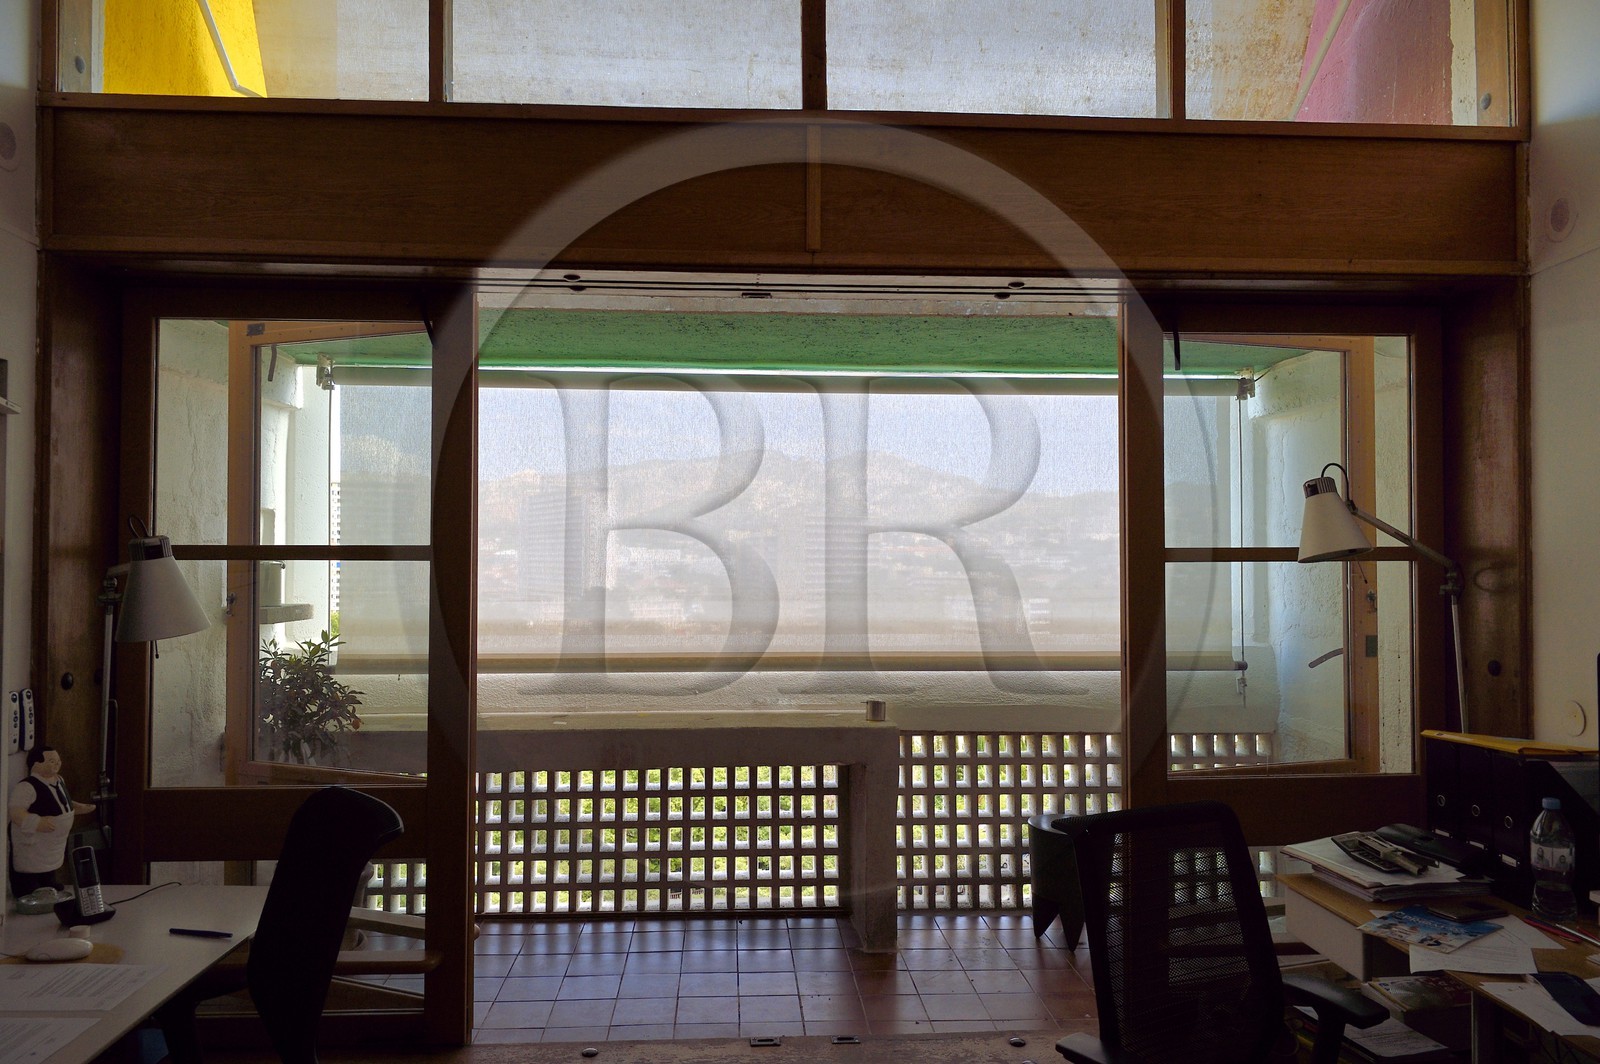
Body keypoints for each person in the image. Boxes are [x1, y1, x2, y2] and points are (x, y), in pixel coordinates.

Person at [8, 746, 96, 899]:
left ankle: (48, 882)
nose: (57, 764)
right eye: (51, 761)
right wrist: (36, 822)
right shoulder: (27, 786)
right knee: (30, 864)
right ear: (36, 764)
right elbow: (16, 811)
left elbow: (62, 801)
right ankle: (27, 887)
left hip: (53, 841)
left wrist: (77, 808)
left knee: (48, 864)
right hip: (33, 839)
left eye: (58, 761)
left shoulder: (59, 780)